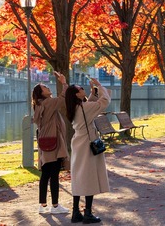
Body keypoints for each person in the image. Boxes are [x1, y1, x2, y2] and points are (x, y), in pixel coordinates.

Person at [66, 78, 110, 224]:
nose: (82, 89)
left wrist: (92, 93)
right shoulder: (84, 108)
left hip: (78, 142)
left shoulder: (74, 107)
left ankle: (75, 212)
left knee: (78, 178)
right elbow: (104, 102)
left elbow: (88, 107)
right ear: (77, 95)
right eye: (80, 89)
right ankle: (88, 213)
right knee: (89, 177)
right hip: (87, 143)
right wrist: (100, 85)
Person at [33, 72, 70, 215]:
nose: (48, 88)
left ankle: (43, 205)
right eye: (45, 87)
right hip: (53, 143)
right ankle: (55, 206)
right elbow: (63, 98)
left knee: (46, 175)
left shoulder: (39, 105)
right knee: (53, 174)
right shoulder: (48, 102)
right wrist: (64, 82)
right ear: (41, 92)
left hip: (45, 142)